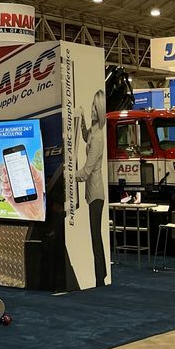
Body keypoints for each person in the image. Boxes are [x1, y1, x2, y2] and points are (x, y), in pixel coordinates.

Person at [75, 90, 108, 286]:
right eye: (92, 106)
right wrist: (81, 121)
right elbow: (85, 136)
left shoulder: (98, 138)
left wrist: (69, 174)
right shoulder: (94, 132)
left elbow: (86, 172)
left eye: (96, 107)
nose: (93, 110)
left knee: (96, 237)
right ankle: (100, 275)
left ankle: (99, 278)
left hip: (96, 193)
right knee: (95, 236)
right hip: (93, 193)